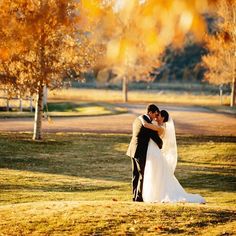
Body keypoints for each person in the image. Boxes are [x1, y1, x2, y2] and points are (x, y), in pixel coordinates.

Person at [141, 110, 206, 203]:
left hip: (155, 152)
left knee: (156, 174)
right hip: (153, 152)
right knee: (154, 173)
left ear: (163, 117)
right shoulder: (158, 125)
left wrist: (141, 118)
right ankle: (152, 194)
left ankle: (157, 195)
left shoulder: (161, 128)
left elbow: (147, 125)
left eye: (158, 115)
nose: (155, 117)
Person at [126, 104, 163, 202]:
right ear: (150, 112)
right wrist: (161, 145)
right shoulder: (146, 123)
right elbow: (156, 138)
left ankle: (134, 196)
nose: (156, 116)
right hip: (140, 151)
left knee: (135, 175)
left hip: (132, 149)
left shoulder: (138, 119)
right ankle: (139, 197)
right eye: (155, 113)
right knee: (142, 174)